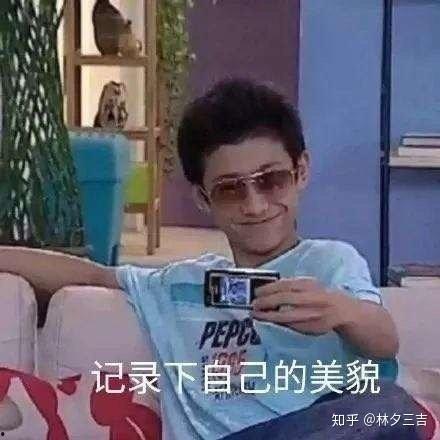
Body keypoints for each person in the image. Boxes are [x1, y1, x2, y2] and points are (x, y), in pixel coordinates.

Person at [0, 79, 435, 439]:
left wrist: (340, 311)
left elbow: (384, 341)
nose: (255, 205)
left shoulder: (331, 263)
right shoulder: (181, 284)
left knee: (391, 409)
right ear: (204, 198)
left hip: (319, 427)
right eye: (230, 189)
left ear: (301, 171)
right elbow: (89, 275)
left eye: (271, 181)